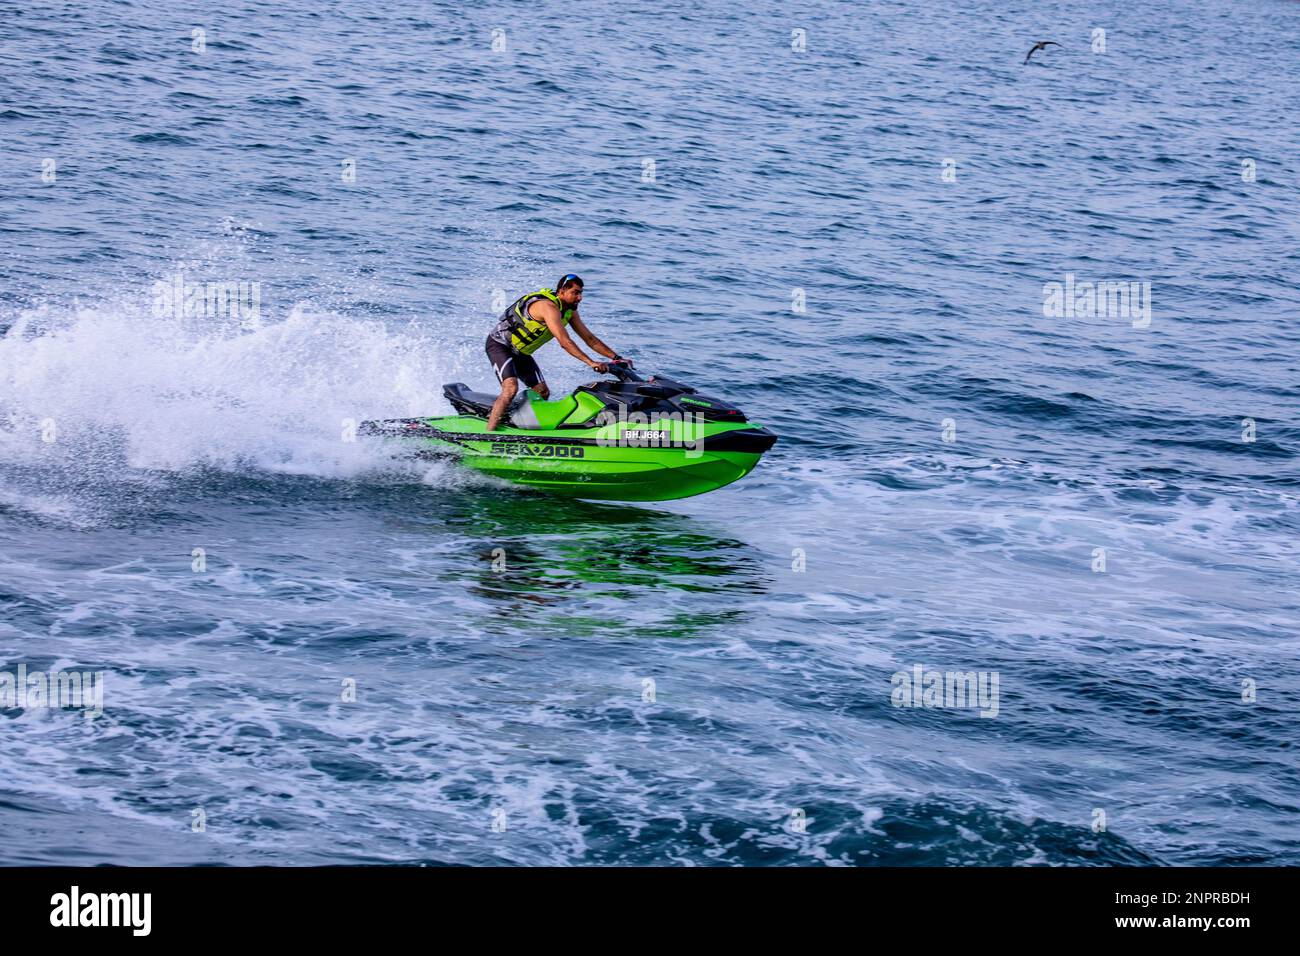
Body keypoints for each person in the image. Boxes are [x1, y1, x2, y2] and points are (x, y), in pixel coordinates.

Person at [484, 274, 630, 431]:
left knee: (542, 392)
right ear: (562, 291)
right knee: (510, 388)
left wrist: (617, 358)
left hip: (521, 352)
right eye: (575, 293)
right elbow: (565, 342)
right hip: (500, 345)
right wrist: (591, 362)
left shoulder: (569, 311)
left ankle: (517, 423)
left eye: (581, 293)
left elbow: (590, 339)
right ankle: (489, 434)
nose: (580, 298)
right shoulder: (548, 307)